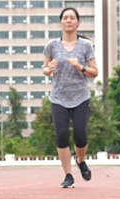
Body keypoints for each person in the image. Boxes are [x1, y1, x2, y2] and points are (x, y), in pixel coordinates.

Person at [42, 7, 99, 188]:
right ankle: (68, 175)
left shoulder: (85, 46)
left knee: (81, 136)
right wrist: (48, 69)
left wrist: (80, 67)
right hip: (58, 97)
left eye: (72, 18)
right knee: (62, 135)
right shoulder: (52, 45)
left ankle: (80, 161)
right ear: (61, 22)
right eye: (65, 18)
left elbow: (94, 72)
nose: (68, 20)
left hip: (80, 97)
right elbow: (44, 69)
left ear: (78, 22)